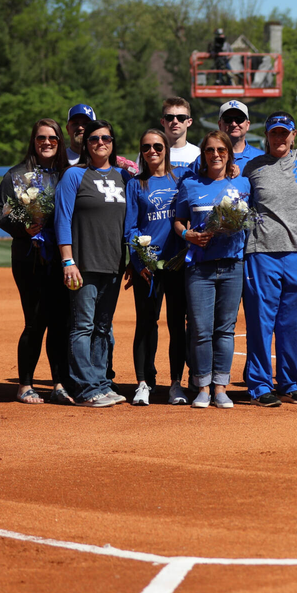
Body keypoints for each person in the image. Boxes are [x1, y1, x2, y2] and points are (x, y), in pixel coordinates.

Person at [241, 112, 297, 407]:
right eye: (274, 133)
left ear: (293, 134)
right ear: (267, 136)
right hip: (262, 253)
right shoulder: (252, 167)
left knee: (294, 322)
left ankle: (289, 381)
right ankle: (260, 384)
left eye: (284, 133)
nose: (279, 138)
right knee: (261, 321)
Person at [0, 118, 72, 405]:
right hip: (30, 258)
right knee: (36, 321)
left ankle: (59, 384)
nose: (47, 142)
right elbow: (0, 210)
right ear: (33, 141)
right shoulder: (17, 174)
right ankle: (24, 384)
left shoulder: (68, 174)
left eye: (52, 138)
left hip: (62, 257)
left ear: (59, 141)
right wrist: (24, 224)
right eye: (41, 138)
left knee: (61, 323)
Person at [171, 130, 250, 409]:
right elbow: (179, 221)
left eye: (221, 150)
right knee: (201, 330)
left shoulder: (242, 182)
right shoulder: (190, 184)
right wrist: (188, 236)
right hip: (199, 268)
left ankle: (220, 388)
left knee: (225, 331)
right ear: (202, 155)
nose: (215, 155)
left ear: (229, 153)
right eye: (210, 150)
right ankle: (202, 387)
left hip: (232, 264)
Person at [55, 119, 128, 408]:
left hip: (112, 264)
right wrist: (67, 260)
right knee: (82, 327)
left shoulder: (124, 177)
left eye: (106, 138)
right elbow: (62, 219)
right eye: (94, 139)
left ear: (112, 142)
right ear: (86, 144)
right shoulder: (74, 175)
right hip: (82, 264)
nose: (100, 143)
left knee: (102, 327)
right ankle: (85, 388)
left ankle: (100, 383)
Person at [124, 129, 188, 406]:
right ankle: (143, 382)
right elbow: (131, 227)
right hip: (148, 267)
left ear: (166, 148)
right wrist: (139, 262)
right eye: (147, 146)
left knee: (177, 324)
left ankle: (176, 383)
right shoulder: (136, 184)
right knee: (146, 323)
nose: (153, 151)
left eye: (158, 146)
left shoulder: (181, 177)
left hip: (177, 264)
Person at [187, 101, 265, 179]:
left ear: (247, 125)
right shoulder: (204, 160)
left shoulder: (262, 158)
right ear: (220, 125)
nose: (233, 124)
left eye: (239, 119)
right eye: (228, 119)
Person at [159, 97, 201, 176]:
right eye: (169, 117)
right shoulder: (150, 152)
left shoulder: (198, 154)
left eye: (181, 118)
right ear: (162, 121)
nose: (175, 121)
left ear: (189, 122)